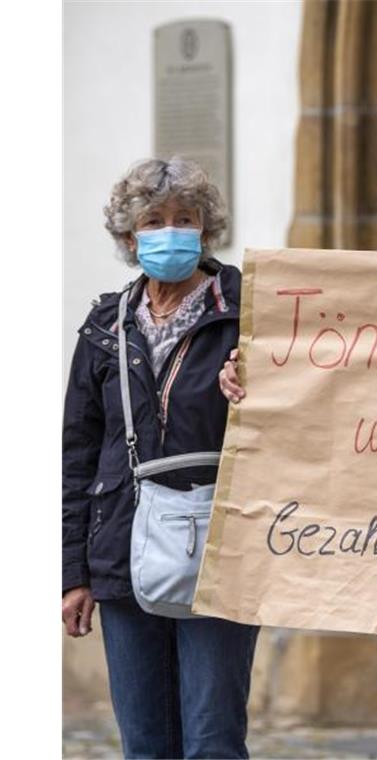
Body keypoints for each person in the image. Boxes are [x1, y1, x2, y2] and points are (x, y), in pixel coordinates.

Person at [62, 157, 259, 758]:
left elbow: (304, 413)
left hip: (222, 549)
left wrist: (259, 387)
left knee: (212, 740)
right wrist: (73, 573)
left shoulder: (249, 314)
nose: (170, 230)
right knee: (145, 744)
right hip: (121, 549)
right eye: (154, 220)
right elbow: (79, 451)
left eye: (185, 218)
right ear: (129, 236)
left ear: (206, 230)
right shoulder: (106, 325)